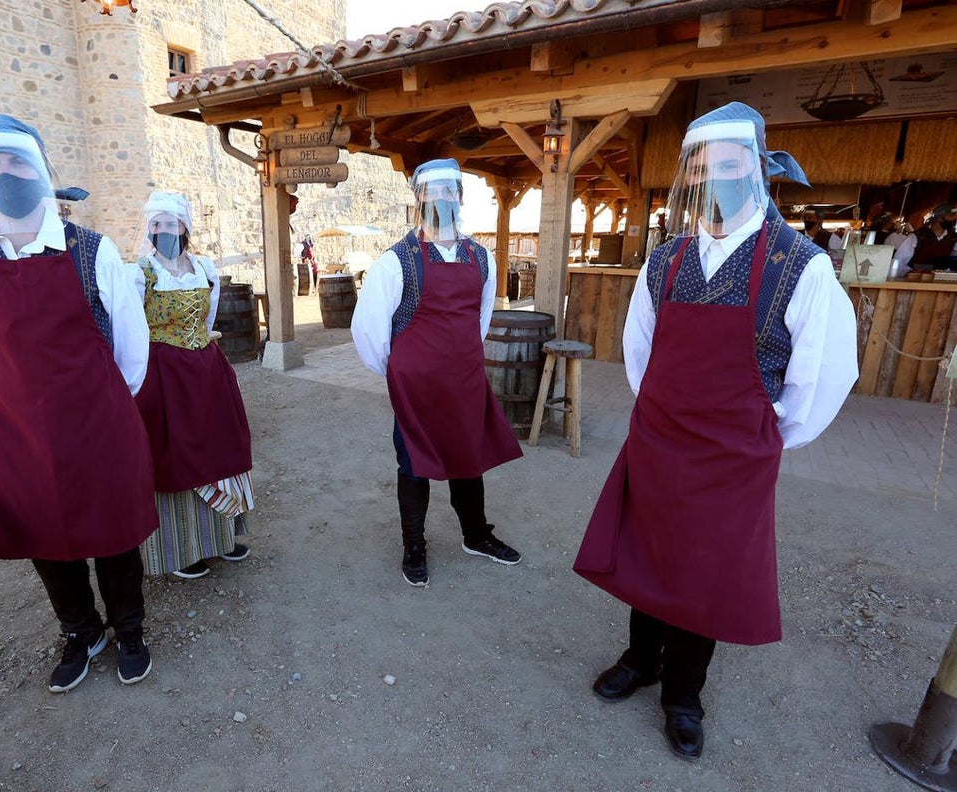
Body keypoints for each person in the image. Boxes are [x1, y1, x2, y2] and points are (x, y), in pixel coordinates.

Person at [573, 102, 858, 761]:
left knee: (703, 573)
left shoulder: (801, 266)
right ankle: (641, 658)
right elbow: (641, 352)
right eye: (701, 167)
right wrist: (666, 416)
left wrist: (766, 436)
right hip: (661, 441)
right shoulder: (666, 261)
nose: (715, 178)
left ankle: (683, 693)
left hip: (735, 455)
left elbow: (821, 379)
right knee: (648, 553)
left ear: (758, 166)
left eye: (729, 164)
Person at [0, 115, 157, 693]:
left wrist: (101, 408)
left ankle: (129, 627)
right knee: (42, 533)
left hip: (97, 422)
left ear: (39, 170)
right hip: (16, 431)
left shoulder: (92, 251)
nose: (2, 173)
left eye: (15, 162)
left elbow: (132, 349)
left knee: (113, 531)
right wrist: (13, 407)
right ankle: (81, 631)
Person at [351, 158, 524, 588]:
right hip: (417, 387)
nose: (441, 199)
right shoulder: (396, 262)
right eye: (432, 192)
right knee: (414, 462)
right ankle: (414, 546)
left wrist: (458, 358)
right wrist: (401, 373)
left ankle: (475, 534)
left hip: (464, 379)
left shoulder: (482, 258)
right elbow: (369, 330)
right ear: (419, 199)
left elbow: (479, 319)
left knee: (469, 456)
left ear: (460, 198)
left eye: (449, 191)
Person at [132, 191, 255, 581]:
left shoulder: (204, 267)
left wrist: (198, 349)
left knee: (220, 447)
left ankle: (222, 537)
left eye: (169, 223)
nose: (162, 230)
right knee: (175, 453)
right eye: (155, 224)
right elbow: (133, 329)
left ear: (184, 227)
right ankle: (182, 547)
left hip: (206, 370)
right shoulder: (140, 272)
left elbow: (208, 317)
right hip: (163, 375)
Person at [893, 203, 957, 275]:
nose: (955, 219)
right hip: (915, 281)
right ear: (940, 218)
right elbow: (899, 262)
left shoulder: (953, 238)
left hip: (941, 282)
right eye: (952, 216)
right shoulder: (918, 236)